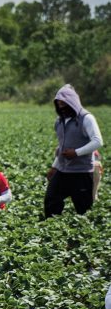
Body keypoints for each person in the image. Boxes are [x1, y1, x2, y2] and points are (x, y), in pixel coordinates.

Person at [45, 84, 103, 218]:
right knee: (51, 200)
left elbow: (97, 141)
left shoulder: (86, 118)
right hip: (63, 171)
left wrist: (76, 152)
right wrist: (54, 166)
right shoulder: (59, 122)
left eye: (64, 104)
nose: (61, 108)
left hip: (81, 172)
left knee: (83, 210)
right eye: (58, 105)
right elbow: (61, 148)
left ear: (72, 103)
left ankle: (83, 235)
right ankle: (52, 229)